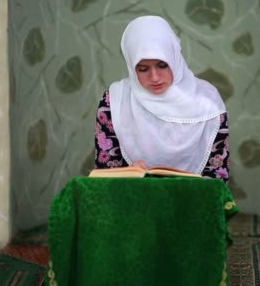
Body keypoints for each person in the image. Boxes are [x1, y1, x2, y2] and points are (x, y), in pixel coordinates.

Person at [93, 15, 230, 183]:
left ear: (174, 58)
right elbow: (103, 173)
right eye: (143, 69)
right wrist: (127, 173)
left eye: (162, 65)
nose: (155, 77)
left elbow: (217, 178)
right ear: (131, 66)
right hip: (133, 202)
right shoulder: (115, 100)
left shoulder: (207, 102)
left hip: (192, 204)